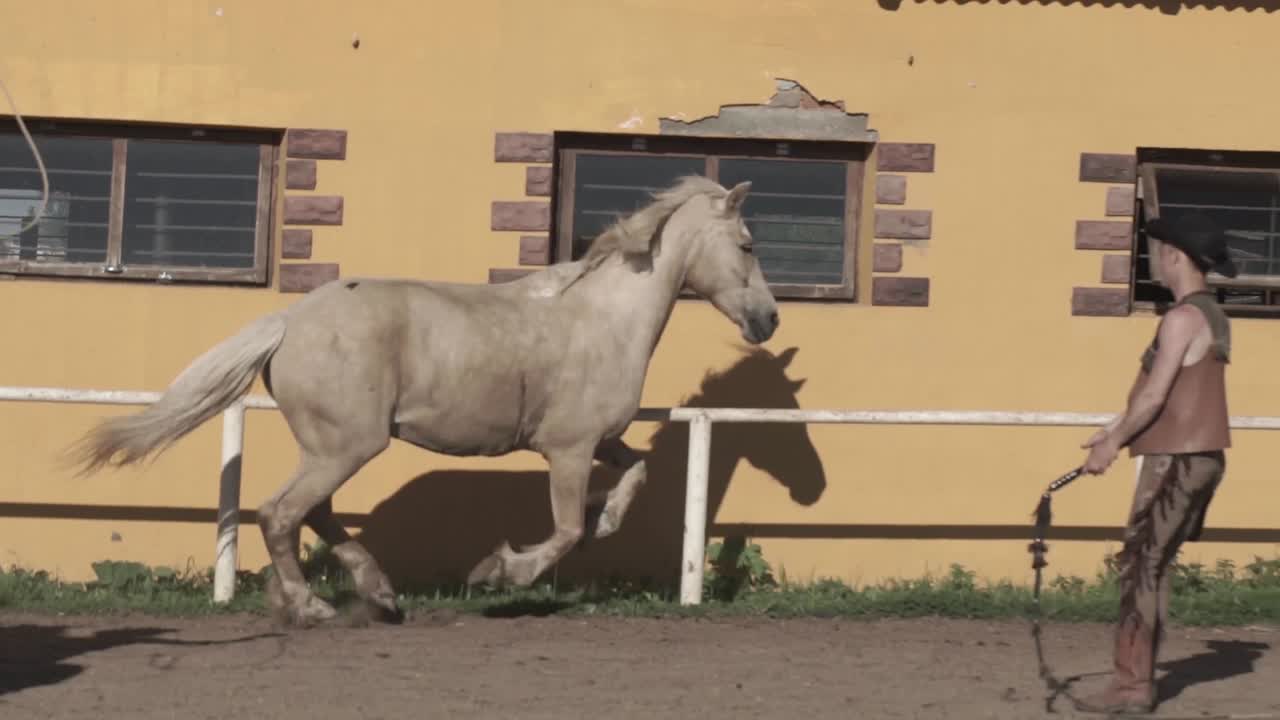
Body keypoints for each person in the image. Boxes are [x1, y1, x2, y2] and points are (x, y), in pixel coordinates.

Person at [1073, 212, 1237, 715]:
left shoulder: (1181, 318)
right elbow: (1163, 394)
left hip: (1175, 458)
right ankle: (1136, 680)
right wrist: (1115, 429)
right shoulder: (1212, 315)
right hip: (1198, 456)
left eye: (1158, 252)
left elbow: (1155, 399)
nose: (1155, 262)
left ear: (1175, 256)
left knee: (1140, 567)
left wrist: (1111, 443)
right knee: (1154, 568)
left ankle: (1129, 688)